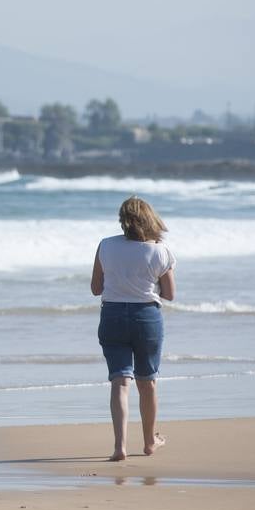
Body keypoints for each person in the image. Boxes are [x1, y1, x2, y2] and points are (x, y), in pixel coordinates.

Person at [90, 195, 176, 462]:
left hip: (113, 314)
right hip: (146, 316)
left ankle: (120, 447)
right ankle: (150, 442)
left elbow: (95, 289)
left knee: (120, 381)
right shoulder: (160, 250)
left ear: (122, 220)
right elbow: (170, 294)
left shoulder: (106, 245)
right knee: (147, 382)